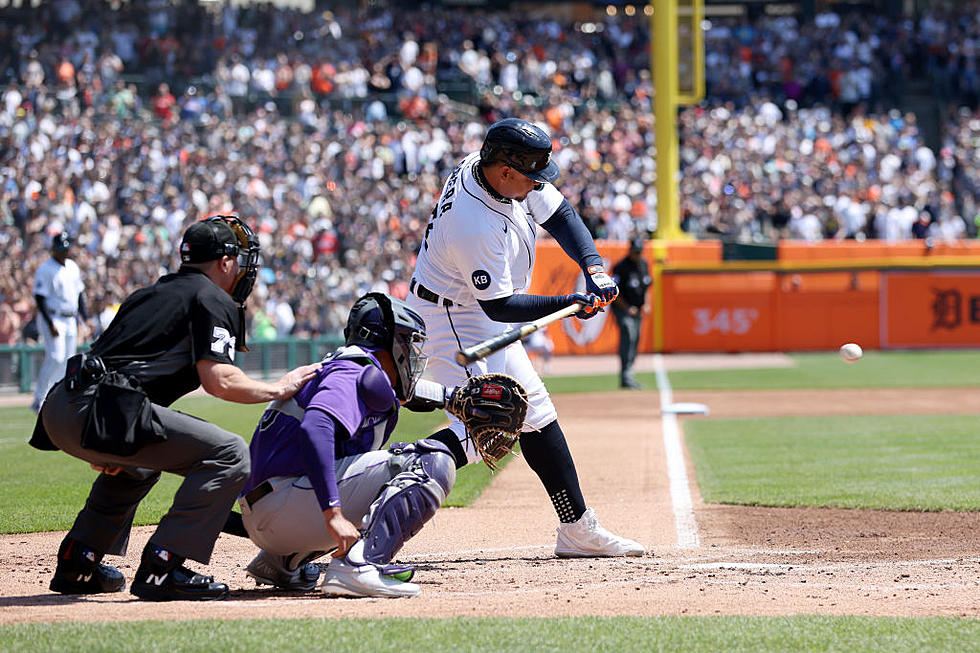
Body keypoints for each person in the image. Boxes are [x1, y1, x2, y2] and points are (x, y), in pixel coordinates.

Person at [30, 216, 321, 601]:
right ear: (225, 262)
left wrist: (107, 440)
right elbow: (219, 380)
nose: (246, 268)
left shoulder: (147, 294)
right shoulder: (211, 297)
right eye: (243, 258)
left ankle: (78, 562)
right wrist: (280, 386)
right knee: (230, 454)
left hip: (61, 407)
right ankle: (163, 567)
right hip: (100, 409)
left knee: (140, 466)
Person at [405, 117, 644, 557]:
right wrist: (569, 300)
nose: (538, 186)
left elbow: (563, 215)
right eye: (532, 178)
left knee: (527, 413)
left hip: (470, 311)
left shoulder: (499, 173)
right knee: (493, 417)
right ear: (505, 170)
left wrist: (593, 268)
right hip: (452, 318)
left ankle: (577, 527)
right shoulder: (473, 221)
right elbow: (500, 306)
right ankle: (391, 473)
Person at [238, 292, 460, 597]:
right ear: (388, 343)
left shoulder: (346, 367)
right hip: (284, 504)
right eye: (406, 341)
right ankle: (360, 564)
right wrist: (333, 514)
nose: (411, 352)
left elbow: (398, 395)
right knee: (431, 462)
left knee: (371, 465)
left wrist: (453, 398)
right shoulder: (353, 370)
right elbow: (316, 428)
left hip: (273, 511)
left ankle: (285, 560)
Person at [32, 232, 87, 413]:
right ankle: (40, 398)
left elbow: (80, 295)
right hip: (53, 317)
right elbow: (40, 298)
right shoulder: (45, 269)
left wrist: (84, 319)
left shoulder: (72, 267)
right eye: (60, 249)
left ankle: (54, 396)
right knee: (55, 356)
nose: (63, 252)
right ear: (53, 249)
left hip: (70, 317)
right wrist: (49, 323)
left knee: (67, 360)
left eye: (65, 248)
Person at [611, 238, 651, 389]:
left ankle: (629, 374)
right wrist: (627, 307)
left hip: (638, 309)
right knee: (629, 334)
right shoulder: (621, 267)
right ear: (630, 251)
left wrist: (646, 303)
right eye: (635, 252)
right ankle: (626, 375)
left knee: (635, 339)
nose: (637, 255)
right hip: (622, 308)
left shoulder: (643, 264)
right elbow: (614, 292)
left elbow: (647, 286)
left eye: (640, 252)